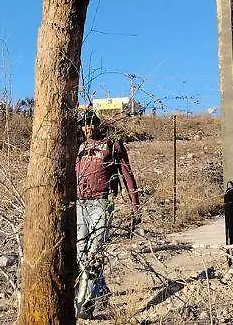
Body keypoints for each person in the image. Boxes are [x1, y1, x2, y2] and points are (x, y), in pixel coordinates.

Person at [74, 109, 140, 318]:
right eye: (84, 124)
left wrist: (135, 205)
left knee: (94, 252)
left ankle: (85, 303)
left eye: (91, 123)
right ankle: (100, 292)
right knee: (81, 252)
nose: (88, 127)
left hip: (101, 203)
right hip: (79, 204)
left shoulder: (111, 144)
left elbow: (126, 174)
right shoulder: (79, 145)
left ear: (98, 123)